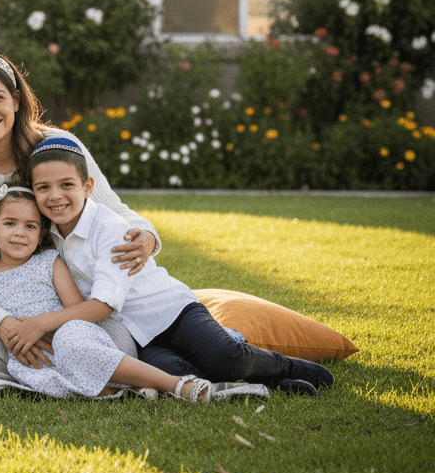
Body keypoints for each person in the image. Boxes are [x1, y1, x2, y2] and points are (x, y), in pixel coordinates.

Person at [0, 49, 161, 381]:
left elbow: (117, 213)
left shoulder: (58, 146)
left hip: (67, 314)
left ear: (16, 99)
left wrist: (144, 234)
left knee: (119, 339)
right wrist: (7, 326)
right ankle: (74, 373)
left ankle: (60, 368)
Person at [28, 135, 334, 396]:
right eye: (43, 188)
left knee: (225, 358)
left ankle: (288, 365)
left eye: (66, 184)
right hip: (140, 336)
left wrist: (41, 323)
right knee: (179, 373)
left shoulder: (110, 229)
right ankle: (275, 383)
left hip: (173, 312)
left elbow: (104, 304)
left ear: (88, 186)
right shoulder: (50, 235)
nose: (55, 196)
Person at [0, 183, 214, 402]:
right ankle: (121, 390)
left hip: (74, 337)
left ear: (41, 233)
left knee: (71, 341)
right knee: (38, 375)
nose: (19, 232)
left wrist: (48, 328)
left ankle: (175, 385)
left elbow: (76, 308)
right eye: (9, 223)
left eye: (30, 226)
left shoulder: (48, 261)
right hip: (32, 357)